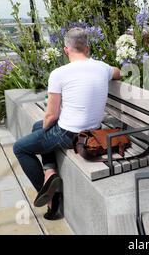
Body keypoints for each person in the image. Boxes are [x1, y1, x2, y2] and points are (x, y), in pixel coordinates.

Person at [13, 27, 121, 220]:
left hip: (69, 135)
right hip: (93, 131)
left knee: (21, 147)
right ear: (87, 48)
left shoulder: (59, 73)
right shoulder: (102, 68)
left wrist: (46, 132)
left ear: (66, 50)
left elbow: (51, 116)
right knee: (38, 128)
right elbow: (117, 72)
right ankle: (50, 171)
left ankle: (48, 194)